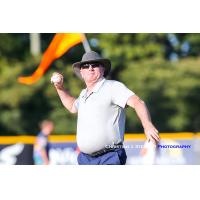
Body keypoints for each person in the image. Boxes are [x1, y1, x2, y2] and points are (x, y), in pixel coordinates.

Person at [51, 51, 159, 165]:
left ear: (102, 69)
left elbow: (138, 102)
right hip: (85, 159)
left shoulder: (112, 87)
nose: (90, 68)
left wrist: (147, 125)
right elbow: (72, 106)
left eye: (95, 65)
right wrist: (60, 88)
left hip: (110, 156)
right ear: (81, 72)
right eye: (86, 66)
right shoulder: (84, 94)